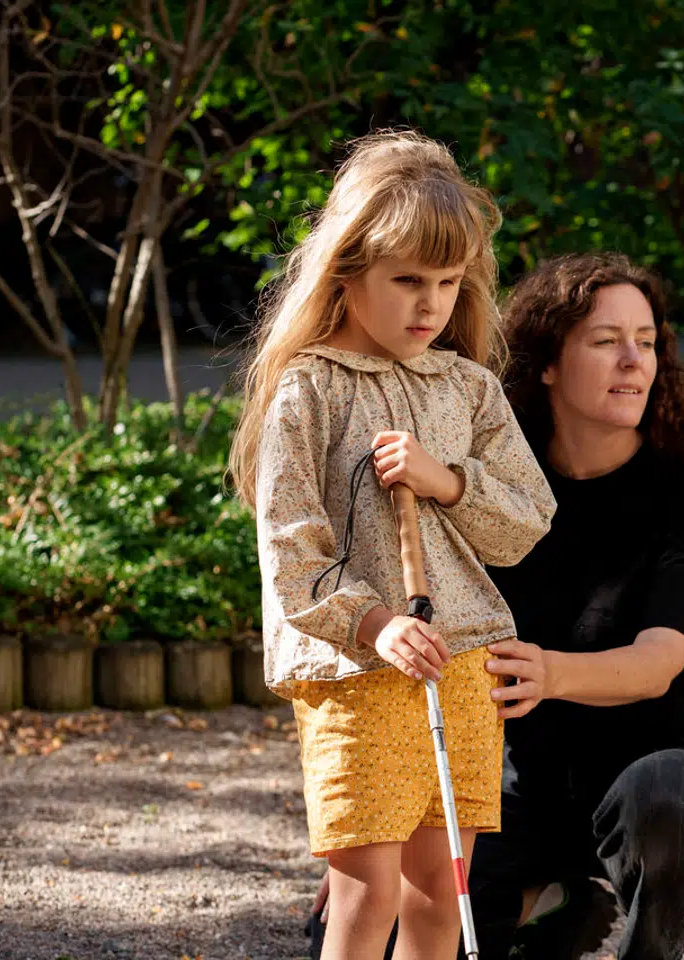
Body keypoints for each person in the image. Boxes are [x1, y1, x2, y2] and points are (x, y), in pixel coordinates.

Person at [308, 251, 684, 960]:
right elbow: (418, 650)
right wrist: (375, 835)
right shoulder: (490, 489)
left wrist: (550, 672)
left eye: (647, 342)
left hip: (661, 766)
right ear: (546, 363)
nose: (633, 361)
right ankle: (552, 906)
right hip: (521, 783)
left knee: (666, 796)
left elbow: (660, 661)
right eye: (606, 341)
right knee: (368, 920)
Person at [230, 131, 556, 960]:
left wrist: (448, 481)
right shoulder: (310, 387)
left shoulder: (469, 388)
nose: (430, 304)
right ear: (347, 272)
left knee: (441, 896)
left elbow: (527, 521)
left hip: (463, 662)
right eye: (408, 280)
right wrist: (375, 624)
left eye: (449, 283)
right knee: (366, 894)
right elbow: (291, 553)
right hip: (357, 672)